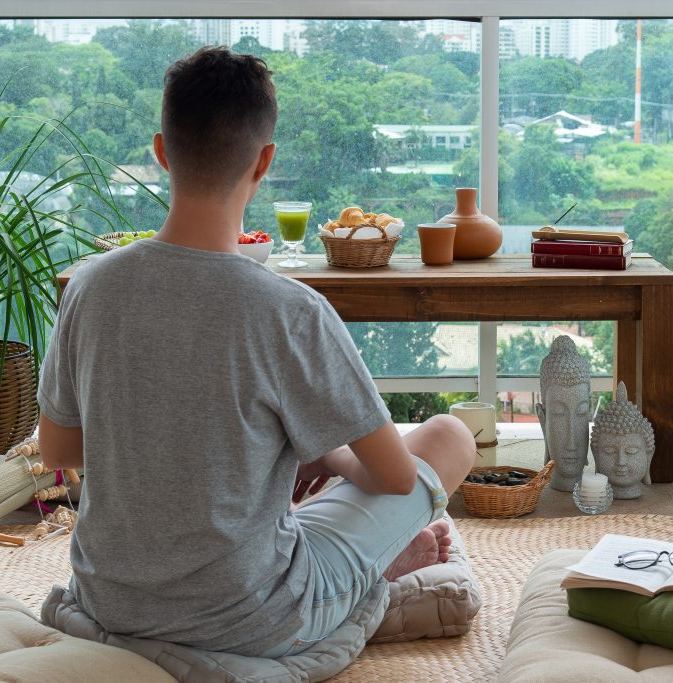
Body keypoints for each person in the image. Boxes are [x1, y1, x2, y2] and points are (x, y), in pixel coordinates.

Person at [38, 46, 474, 659]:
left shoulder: (89, 285)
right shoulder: (290, 309)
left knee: (289, 510)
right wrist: (324, 452)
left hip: (113, 603)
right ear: (264, 162)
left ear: (161, 150)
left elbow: (60, 450)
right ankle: (373, 571)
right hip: (252, 619)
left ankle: (362, 565)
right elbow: (394, 476)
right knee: (449, 435)